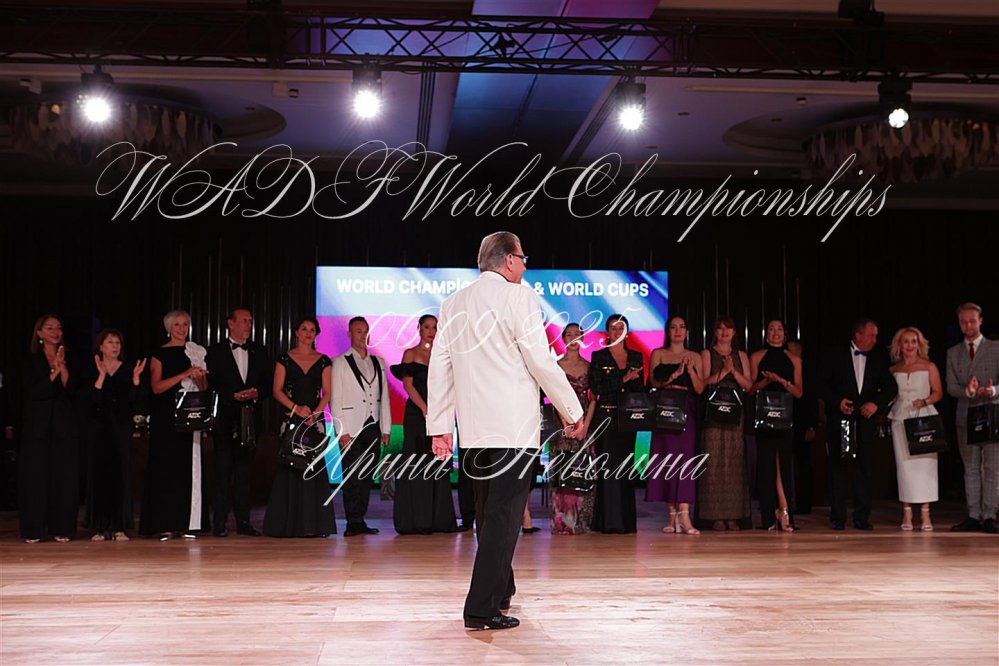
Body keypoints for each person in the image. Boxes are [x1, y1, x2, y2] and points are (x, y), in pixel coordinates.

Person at [427, 231, 584, 632]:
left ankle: (501, 589)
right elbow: (540, 360)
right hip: (513, 427)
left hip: (474, 431)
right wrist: (571, 409)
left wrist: (440, 427)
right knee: (501, 516)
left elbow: (440, 368)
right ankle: (480, 609)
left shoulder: (453, 303)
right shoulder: (520, 297)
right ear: (509, 260)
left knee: (488, 513)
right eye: (523, 258)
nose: (525, 266)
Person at [817, 317, 897, 531]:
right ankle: (838, 517)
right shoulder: (835, 355)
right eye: (871, 336)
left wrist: (875, 404)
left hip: (865, 423)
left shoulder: (878, 359)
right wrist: (837, 402)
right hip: (842, 421)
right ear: (858, 335)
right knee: (839, 469)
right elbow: (821, 384)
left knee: (864, 470)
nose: (875, 340)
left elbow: (891, 388)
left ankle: (862, 517)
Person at [140, 310, 211, 541]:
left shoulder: (195, 351)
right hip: (165, 418)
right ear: (169, 328)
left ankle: (188, 522)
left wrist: (199, 377)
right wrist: (184, 373)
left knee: (187, 469)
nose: (182, 329)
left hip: (189, 417)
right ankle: (165, 523)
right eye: (177, 325)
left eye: (185, 324)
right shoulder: (159, 354)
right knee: (166, 470)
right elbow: (157, 387)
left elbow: (204, 388)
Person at [263, 316, 336, 537]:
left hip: (314, 420)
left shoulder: (323, 360)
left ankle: (315, 525)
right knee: (290, 465)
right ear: (296, 332)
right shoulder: (284, 358)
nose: (308, 333)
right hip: (292, 418)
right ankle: (287, 525)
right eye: (304, 329)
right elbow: (276, 391)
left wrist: (316, 413)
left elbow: (327, 392)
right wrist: (296, 409)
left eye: (312, 330)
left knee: (314, 467)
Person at [391, 314, 458, 535]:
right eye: (427, 327)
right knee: (416, 462)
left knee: (438, 462)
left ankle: (439, 520)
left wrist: (440, 411)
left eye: (435, 327)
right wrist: (424, 408)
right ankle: (417, 520)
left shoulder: (443, 354)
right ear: (419, 328)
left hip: (439, 415)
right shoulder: (411, 353)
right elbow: (408, 386)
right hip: (417, 415)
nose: (431, 331)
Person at [206, 307, 270, 537]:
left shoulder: (259, 351)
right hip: (225, 419)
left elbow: (268, 383)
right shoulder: (214, 352)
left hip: (250, 419)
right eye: (244, 320)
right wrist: (231, 395)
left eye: (250, 321)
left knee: (244, 473)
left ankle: (244, 522)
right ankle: (219, 523)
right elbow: (210, 385)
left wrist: (256, 393)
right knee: (223, 472)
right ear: (230, 324)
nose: (248, 325)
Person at [19, 315, 80, 543]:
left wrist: (62, 368)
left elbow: (73, 390)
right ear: (40, 333)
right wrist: (53, 370)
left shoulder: (71, 358)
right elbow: (34, 392)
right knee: (36, 477)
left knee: (63, 476)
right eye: (50, 328)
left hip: (63, 425)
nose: (55, 332)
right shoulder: (30, 360)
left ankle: (61, 527)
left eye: (58, 328)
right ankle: (34, 529)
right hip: (38, 426)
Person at [330, 316, 391, 537]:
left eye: (365, 331)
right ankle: (352, 521)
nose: (362, 335)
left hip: (372, 425)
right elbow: (335, 398)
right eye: (358, 331)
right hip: (351, 425)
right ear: (349, 334)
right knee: (351, 475)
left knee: (367, 474)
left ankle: (361, 519)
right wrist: (341, 430)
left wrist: (386, 427)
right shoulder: (339, 362)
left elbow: (384, 397)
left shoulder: (378, 362)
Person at [84, 329, 146, 541]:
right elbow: (90, 403)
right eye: (110, 342)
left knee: (121, 475)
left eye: (118, 342)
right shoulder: (92, 369)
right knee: (99, 474)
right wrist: (101, 377)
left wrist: (136, 380)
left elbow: (135, 402)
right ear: (100, 346)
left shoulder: (128, 369)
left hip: (120, 427)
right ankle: (100, 527)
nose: (115, 346)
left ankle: (120, 526)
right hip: (98, 428)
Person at [647, 315, 704, 535]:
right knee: (667, 459)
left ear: (687, 331)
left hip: (687, 408)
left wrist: (689, 372)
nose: (678, 331)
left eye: (682, 327)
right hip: (665, 408)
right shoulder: (658, 354)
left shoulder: (695, 356)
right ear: (668, 331)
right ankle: (672, 515)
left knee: (686, 460)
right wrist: (675, 375)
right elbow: (653, 383)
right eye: (673, 327)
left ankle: (685, 514)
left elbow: (700, 389)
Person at [946, 303, 999, 534]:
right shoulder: (953, 352)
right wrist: (968, 391)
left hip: (992, 413)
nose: (968, 325)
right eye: (963, 322)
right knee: (970, 468)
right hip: (966, 415)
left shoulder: (996, 348)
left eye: (972, 321)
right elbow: (951, 387)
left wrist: (993, 390)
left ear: (980, 321)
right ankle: (973, 515)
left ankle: (990, 516)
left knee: (993, 468)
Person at [589, 314, 644, 534]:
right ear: (607, 332)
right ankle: (607, 522)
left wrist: (631, 382)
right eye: (613, 328)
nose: (617, 331)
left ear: (627, 332)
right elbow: (597, 387)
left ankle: (626, 522)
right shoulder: (599, 356)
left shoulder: (636, 357)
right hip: (605, 418)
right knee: (607, 470)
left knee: (626, 469)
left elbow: (640, 389)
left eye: (621, 327)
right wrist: (624, 379)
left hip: (628, 419)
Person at [749, 319, 803, 532]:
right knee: (766, 466)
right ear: (766, 334)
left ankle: (785, 510)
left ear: (785, 334)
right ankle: (769, 516)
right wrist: (766, 381)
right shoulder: (757, 357)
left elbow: (799, 392)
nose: (775, 332)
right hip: (764, 416)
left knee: (784, 464)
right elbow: (750, 389)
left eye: (779, 329)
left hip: (785, 416)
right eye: (771, 329)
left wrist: (781, 381)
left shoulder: (794, 359)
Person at [699, 316, 753, 531]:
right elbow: (703, 383)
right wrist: (723, 372)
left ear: (734, 332)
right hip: (713, 413)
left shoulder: (741, 355)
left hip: (735, 414)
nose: (724, 333)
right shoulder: (706, 354)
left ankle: (733, 516)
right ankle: (715, 517)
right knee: (713, 463)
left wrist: (734, 371)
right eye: (720, 329)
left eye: (728, 329)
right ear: (715, 332)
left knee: (734, 463)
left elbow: (749, 386)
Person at [888, 327, 943, 531]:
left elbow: (938, 392)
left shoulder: (929, 366)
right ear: (899, 345)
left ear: (919, 345)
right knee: (904, 467)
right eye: (906, 341)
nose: (910, 345)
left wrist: (925, 401)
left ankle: (925, 513)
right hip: (900, 419)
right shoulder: (893, 370)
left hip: (924, 419)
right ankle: (907, 512)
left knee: (925, 466)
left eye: (913, 341)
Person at [550, 323, 598, 535]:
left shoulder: (590, 366)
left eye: (577, 334)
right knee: (563, 470)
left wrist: (584, 426)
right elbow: (554, 397)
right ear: (563, 339)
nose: (573, 338)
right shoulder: (555, 366)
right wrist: (567, 425)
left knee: (583, 470)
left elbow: (594, 399)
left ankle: (581, 522)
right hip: (562, 423)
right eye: (569, 335)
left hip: (584, 421)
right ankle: (562, 522)